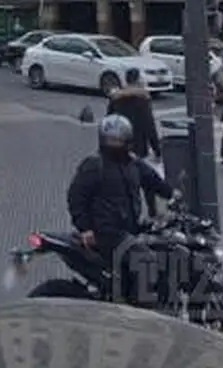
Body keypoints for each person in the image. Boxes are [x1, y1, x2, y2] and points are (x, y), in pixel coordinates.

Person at [68, 115, 178, 307]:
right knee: (145, 261)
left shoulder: (133, 163)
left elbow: (152, 180)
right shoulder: (94, 165)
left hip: (129, 228)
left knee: (161, 246)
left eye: (119, 141)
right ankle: (138, 314)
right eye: (111, 140)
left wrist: (173, 194)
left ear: (128, 141)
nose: (115, 145)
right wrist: (85, 228)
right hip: (107, 232)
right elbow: (76, 198)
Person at [106, 68, 162, 217]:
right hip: (138, 147)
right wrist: (157, 149)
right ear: (137, 80)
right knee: (146, 179)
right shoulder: (142, 99)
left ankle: (127, 212)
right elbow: (149, 125)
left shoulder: (115, 98)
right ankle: (152, 211)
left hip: (118, 147)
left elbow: (108, 123)